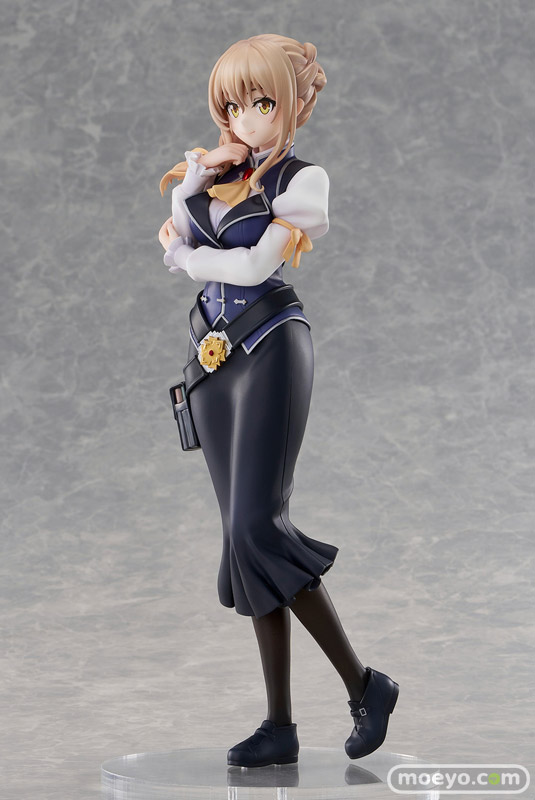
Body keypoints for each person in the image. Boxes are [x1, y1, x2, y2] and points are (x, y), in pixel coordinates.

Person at [158, 34, 399, 768]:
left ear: (292, 104)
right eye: (232, 105)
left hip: (269, 346)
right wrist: (198, 178)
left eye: (262, 102)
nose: (246, 118)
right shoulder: (219, 173)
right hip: (212, 359)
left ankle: (365, 685)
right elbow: (176, 225)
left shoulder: (303, 180)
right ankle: (279, 725)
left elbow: (253, 262)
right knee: (242, 539)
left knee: (257, 524)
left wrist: (186, 257)